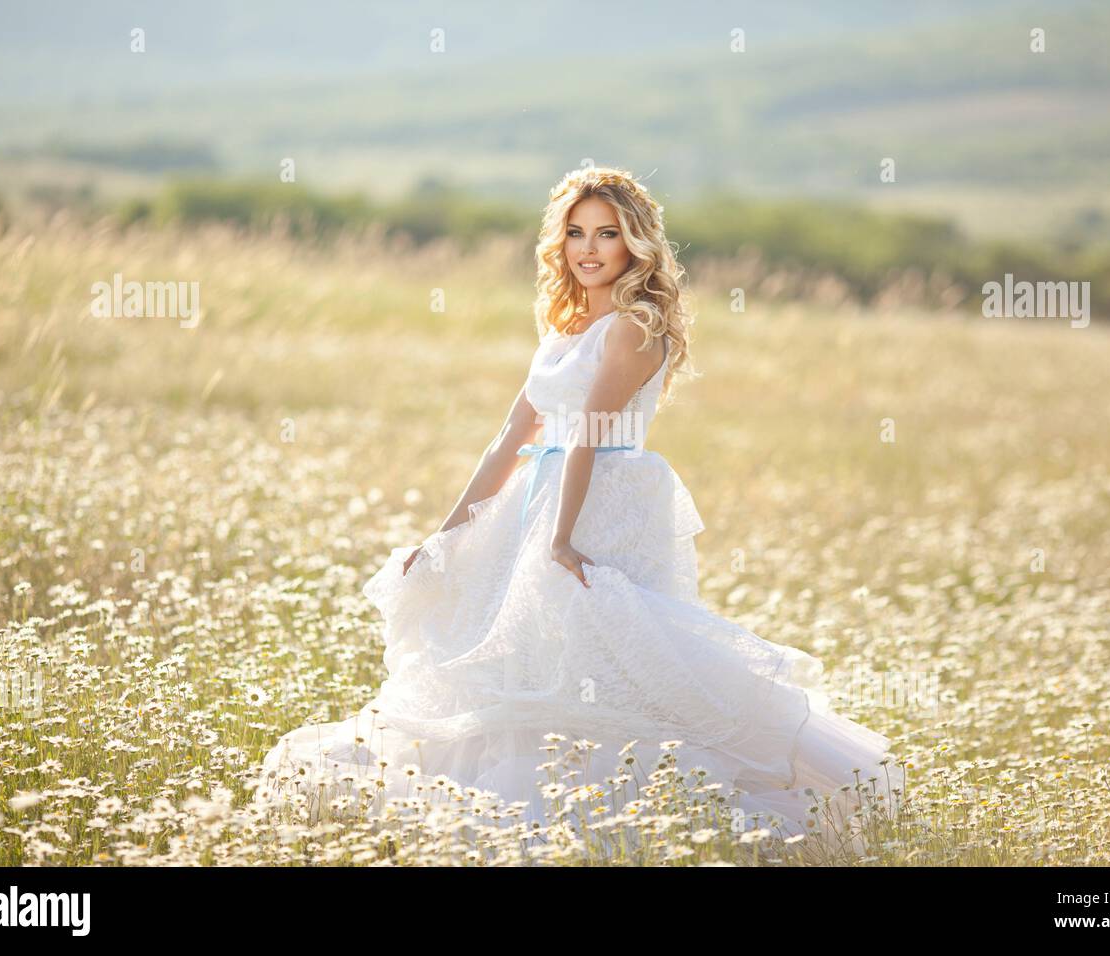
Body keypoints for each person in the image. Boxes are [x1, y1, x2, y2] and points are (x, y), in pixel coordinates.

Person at [255, 166, 901, 857]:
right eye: (575, 233)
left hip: (603, 504)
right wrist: (442, 539)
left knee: (606, 656)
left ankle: (648, 816)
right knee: (525, 662)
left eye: (607, 234)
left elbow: (590, 434)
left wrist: (561, 541)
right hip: (532, 506)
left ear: (635, 245)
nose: (589, 248)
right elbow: (511, 439)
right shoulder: (562, 332)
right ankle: (532, 815)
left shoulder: (632, 328)